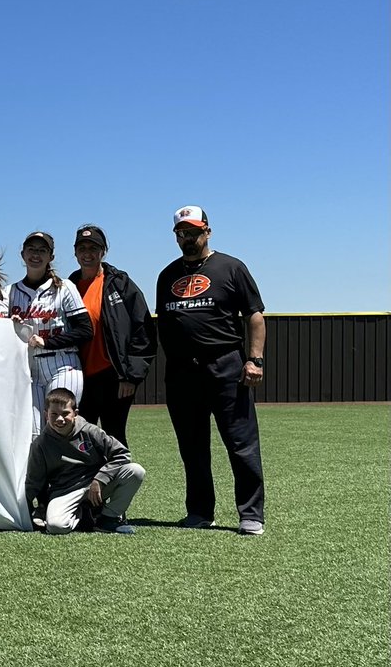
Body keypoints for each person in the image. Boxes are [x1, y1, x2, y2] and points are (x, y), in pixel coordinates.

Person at [156, 206, 267, 535]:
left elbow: (255, 316)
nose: (187, 238)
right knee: (192, 446)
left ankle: (251, 514)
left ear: (208, 231)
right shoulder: (167, 275)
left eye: (193, 232)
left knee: (241, 443)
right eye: (181, 233)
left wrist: (255, 359)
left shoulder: (231, 267)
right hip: (181, 371)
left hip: (225, 366)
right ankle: (200, 510)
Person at [68, 225, 155, 447]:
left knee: (114, 436)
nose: (87, 254)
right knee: (81, 438)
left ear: (103, 251)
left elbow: (142, 329)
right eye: (82, 248)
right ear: (75, 252)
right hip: (80, 377)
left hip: (113, 377)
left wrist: (131, 376)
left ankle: (120, 481)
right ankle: (86, 482)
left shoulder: (120, 283)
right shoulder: (68, 285)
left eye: (93, 248)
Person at [24, 388, 145, 535]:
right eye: (54, 414)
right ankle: (87, 515)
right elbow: (33, 481)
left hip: (96, 485)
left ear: (75, 413)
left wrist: (100, 480)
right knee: (56, 527)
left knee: (135, 471)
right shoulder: (40, 444)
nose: (60, 419)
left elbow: (122, 454)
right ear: (45, 415)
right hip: (64, 491)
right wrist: (22, 511)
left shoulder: (91, 431)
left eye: (65, 413)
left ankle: (108, 518)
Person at [9, 231, 92, 437]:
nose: (36, 255)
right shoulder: (10, 292)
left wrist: (47, 342)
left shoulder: (64, 287)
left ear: (50, 257)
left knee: (60, 424)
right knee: (34, 433)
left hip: (63, 365)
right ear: (22, 254)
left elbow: (85, 330)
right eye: (31, 249)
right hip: (31, 370)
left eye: (42, 250)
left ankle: (73, 469)